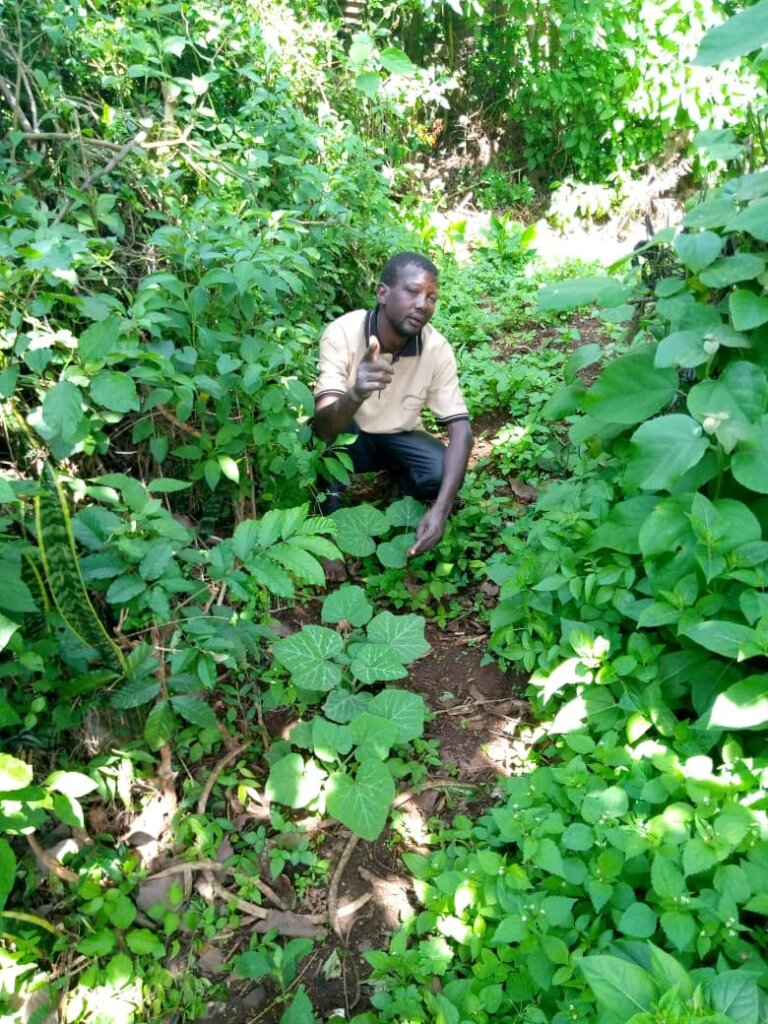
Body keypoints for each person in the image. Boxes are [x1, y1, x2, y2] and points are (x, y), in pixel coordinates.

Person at [313, 252, 473, 557]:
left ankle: (401, 482)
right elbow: (322, 427)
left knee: (441, 473)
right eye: (413, 292)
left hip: (399, 437)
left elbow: (461, 431)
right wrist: (357, 392)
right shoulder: (343, 332)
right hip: (349, 437)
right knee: (329, 439)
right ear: (383, 293)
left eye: (431, 297)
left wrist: (441, 509)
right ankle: (326, 527)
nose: (422, 305)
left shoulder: (436, 348)